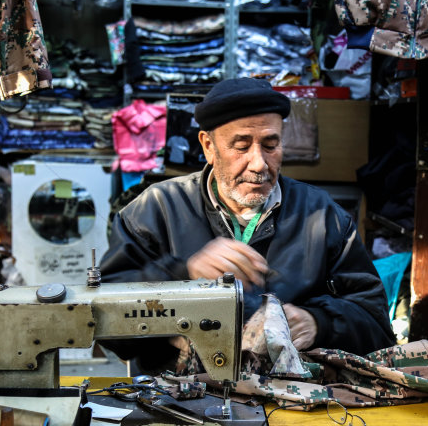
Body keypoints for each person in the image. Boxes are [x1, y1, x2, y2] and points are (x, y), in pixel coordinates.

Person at [100, 77, 395, 375]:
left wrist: (320, 322)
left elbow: (377, 327)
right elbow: (107, 326)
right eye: (241, 146)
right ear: (209, 146)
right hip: (177, 402)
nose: (259, 164)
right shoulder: (156, 209)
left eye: (271, 145)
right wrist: (183, 274)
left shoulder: (323, 216)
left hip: (290, 405)